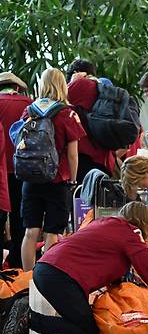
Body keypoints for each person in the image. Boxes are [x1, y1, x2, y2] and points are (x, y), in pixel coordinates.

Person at [2, 202, 148, 334]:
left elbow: (109, 269)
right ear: (143, 224)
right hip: (62, 277)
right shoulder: (131, 233)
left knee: (83, 319)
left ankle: (13, 320)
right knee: (89, 330)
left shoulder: (101, 223)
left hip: (45, 268)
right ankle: (30, 319)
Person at [20, 68, 86, 271]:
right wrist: (73, 180)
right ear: (63, 85)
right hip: (57, 180)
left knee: (31, 231)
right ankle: (44, 278)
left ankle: (27, 281)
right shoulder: (67, 113)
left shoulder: (30, 111)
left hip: (30, 178)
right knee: (51, 232)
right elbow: (73, 154)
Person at [66, 59, 116, 180]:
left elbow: (58, 103)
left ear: (76, 72)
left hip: (84, 154)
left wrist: (72, 82)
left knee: (82, 197)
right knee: (100, 196)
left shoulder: (79, 85)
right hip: (104, 156)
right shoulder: (102, 86)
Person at [0, 72, 32, 268]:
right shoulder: (29, 104)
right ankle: (18, 260)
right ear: (18, 87)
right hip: (25, 168)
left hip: (2, 171)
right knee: (22, 216)